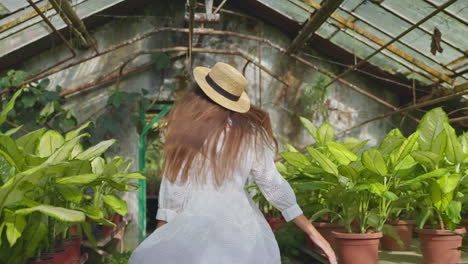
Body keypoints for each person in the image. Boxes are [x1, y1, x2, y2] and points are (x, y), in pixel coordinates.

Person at [128, 62, 337, 264]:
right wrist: (313, 232)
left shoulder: (187, 132)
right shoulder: (249, 134)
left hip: (197, 223)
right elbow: (272, 184)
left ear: (199, 95)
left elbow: (174, 191)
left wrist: (160, 236)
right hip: (241, 229)